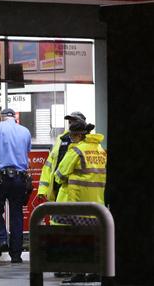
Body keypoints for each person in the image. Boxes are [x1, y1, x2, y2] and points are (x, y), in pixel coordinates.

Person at [52, 120, 106, 284]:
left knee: (76, 239)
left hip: (77, 202)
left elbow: (59, 174)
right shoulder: (100, 149)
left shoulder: (76, 150)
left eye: (72, 135)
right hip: (97, 203)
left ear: (77, 135)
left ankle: (79, 273)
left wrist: (64, 178)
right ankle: (96, 271)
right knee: (93, 239)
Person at [0, 108, 32, 263]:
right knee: (17, 215)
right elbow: (27, 156)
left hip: (0, 178)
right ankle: (16, 255)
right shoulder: (25, 131)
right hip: (19, 178)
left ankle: (2, 240)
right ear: (14, 118)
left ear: (3, 117)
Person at [37, 111, 86, 203]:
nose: (71, 124)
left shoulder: (87, 142)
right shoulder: (61, 139)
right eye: (70, 122)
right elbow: (49, 165)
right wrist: (43, 189)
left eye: (74, 122)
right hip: (58, 189)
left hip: (77, 192)